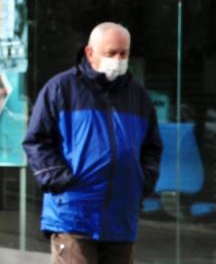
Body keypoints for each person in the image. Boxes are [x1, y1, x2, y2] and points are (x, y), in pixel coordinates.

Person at [23, 22, 162, 264]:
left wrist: (142, 180)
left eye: (124, 53)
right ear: (90, 53)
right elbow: (36, 140)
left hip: (121, 217)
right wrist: (59, 179)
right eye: (111, 53)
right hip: (74, 213)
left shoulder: (138, 97)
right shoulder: (61, 89)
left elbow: (151, 147)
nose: (118, 59)